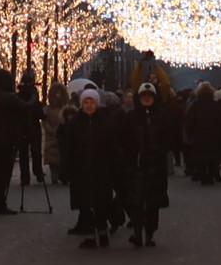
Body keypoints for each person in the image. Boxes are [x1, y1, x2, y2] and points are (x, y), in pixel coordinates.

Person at [58, 84, 126, 248]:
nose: (89, 105)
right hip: (81, 171)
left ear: (97, 103)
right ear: (82, 104)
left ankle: (102, 232)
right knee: (85, 205)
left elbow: (113, 147)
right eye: (86, 102)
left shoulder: (105, 123)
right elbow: (68, 148)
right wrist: (65, 168)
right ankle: (89, 235)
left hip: (102, 170)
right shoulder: (74, 124)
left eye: (92, 102)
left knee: (102, 203)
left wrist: (117, 167)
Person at [122, 83, 175, 246]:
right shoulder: (131, 117)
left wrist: (160, 150)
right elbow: (124, 139)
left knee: (153, 202)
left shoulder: (161, 116)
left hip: (155, 166)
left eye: (149, 96)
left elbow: (168, 138)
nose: (146, 98)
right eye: (144, 96)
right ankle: (138, 233)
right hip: (136, 165)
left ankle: (150, 232)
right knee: (136, 201)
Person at [0, 76, 36, 215]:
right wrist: (32, 96)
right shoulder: (8, 97)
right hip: (6, 139)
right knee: (3, 173)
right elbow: (26, 106)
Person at [183, 83, 221, 184]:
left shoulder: (194, 105)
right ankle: (212, 174)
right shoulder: (217, 105)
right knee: (213, 156)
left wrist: (189, 134)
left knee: (201, 157)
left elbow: (189, 121)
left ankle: (203, 176)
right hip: (214, 136)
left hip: (199, 136)